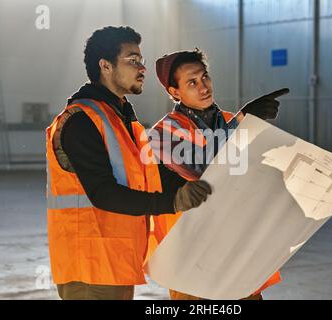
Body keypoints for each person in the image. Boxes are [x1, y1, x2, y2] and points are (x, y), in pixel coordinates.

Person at [46, 27, 212, 300]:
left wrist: (208, 184)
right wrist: (174, 202)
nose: (142, 68)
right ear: (106, 66)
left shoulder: (123, 121)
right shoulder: (81, 120)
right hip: (89, 264)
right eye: (133, 60)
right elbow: (103, 193)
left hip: (116, 261)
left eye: (141, 61)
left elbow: (154, 176)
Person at [150, 49, 289, 300]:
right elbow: (206, 170)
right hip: (192, 261)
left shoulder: (229, 121)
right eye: (192, 82)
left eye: (205, 77)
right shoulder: (164, 133)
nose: (203, 87)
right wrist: (245, 122)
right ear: (174, 92)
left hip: (238, 253)